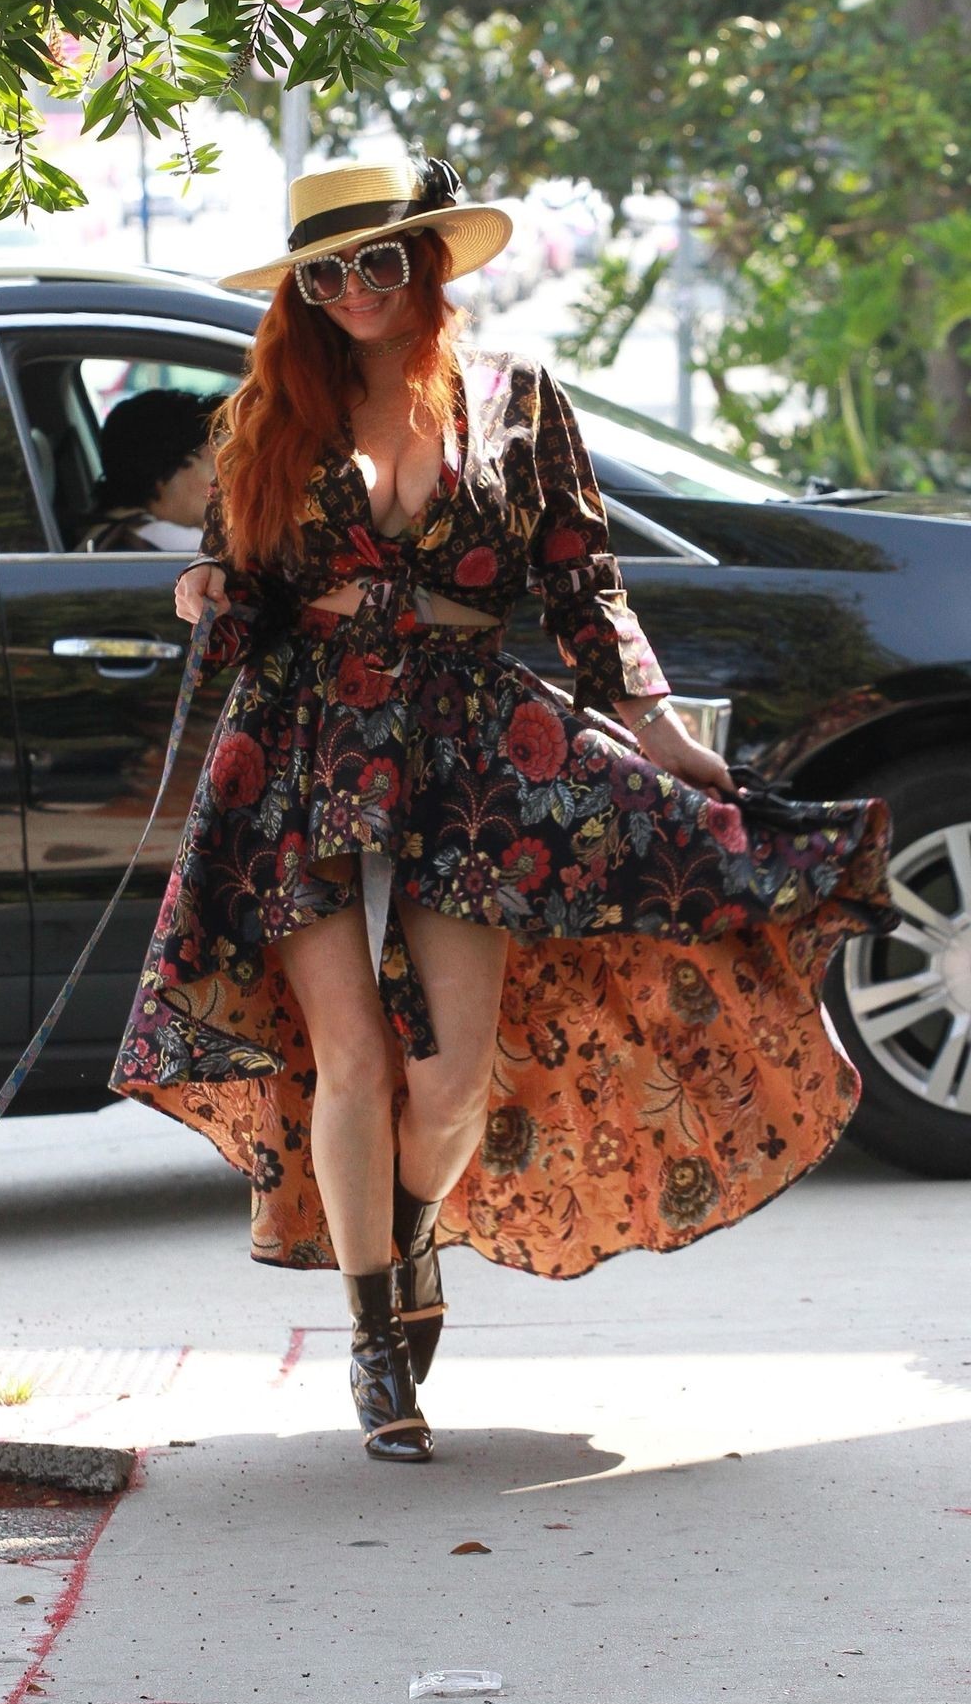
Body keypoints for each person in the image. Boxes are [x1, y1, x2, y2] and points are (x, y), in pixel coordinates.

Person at [110, 155, 895, 1464]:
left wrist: (656, 729)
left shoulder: (516, 398)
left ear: (426, 262)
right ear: (301, 289)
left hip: (466, 747)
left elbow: (586, 585)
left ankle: (408, 1237)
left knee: (449, 1077)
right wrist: (203, 593)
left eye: (377, 260)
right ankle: (375, 1340)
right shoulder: (269, 412)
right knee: (351, 1056)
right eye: (326, 272)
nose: (355, 289)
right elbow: (237, 587)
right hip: (299, 743)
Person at [75, 388, 222, 551]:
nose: (225, 483)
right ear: (167, 472)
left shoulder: (105, 533)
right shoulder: (174, 544)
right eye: (215, 468)